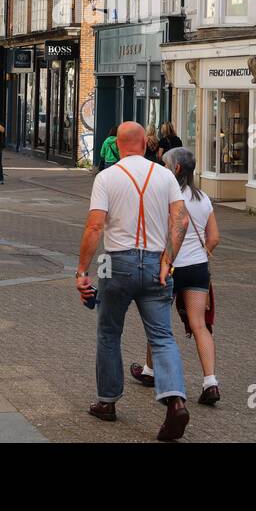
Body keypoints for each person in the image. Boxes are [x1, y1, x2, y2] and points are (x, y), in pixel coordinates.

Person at [75, 122, 191, 441]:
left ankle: (107, 402)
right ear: (145, 143)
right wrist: (169, 259)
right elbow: (180, 219)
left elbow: (95, 227)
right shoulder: (165, 175)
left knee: (109, 331)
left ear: (117, 143)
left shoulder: (106, 177)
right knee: (162, 336)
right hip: (156, 262)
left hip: (116, 262)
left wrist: (82, 270)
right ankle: (176, 399)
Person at [130, 147, 221, 406]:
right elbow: (214, 237)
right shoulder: (203, 198)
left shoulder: (164, 196)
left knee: (158, 323)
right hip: (197, 269)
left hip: (168, 268)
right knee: (199, 325)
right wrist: (201, 252)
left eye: (165, 163)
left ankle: (150, 373)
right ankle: (210, 382)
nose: (161, 167)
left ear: (177, 168)